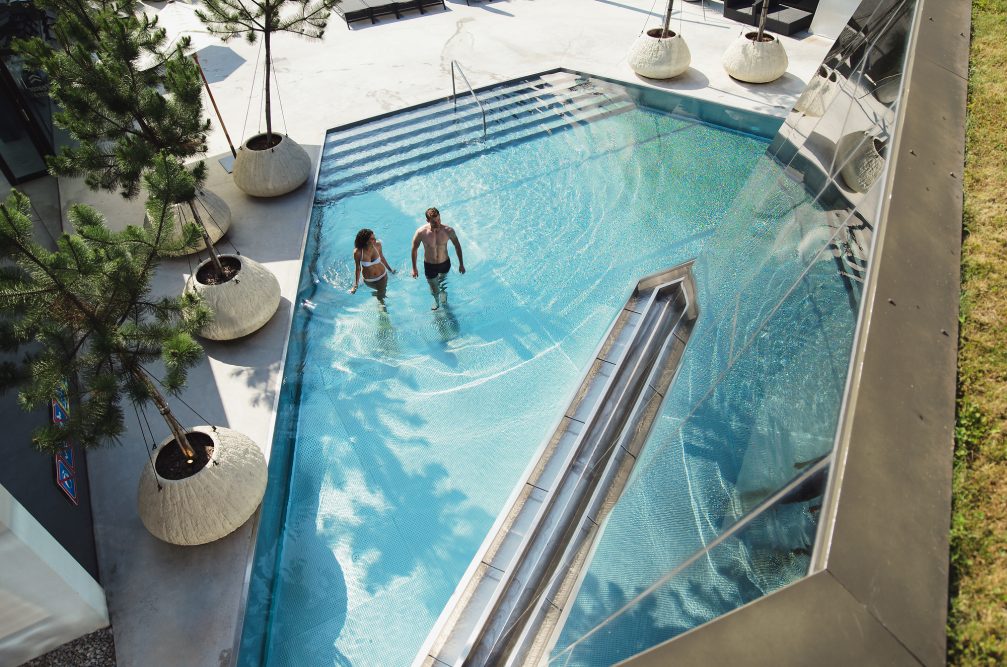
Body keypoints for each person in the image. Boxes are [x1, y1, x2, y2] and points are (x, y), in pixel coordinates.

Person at [411, 207, 465, 310]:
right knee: (434, 288)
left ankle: (443, 296)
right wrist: (414, 268)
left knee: (442, 283)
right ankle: (436, 301)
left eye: (439, 220)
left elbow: (457, 246)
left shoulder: (448, 230)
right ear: (427, 221)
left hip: (444, 263)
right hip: (429, 265)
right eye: (434, 221)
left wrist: (461, 264)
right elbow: (414, 249)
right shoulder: (421, 232)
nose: (437, 223)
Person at [349, 228, 396, 298]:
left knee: (382, 293)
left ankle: (382, 306)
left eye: (374, 237)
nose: (375, 240)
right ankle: (378, 297)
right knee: (381, 292)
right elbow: (358, 268)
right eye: (372, 239)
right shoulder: (358, 252)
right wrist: (355, 285)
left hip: (383, 275)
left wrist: (390, 270)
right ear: (365, 240)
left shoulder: (378, 245)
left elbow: (382, 258)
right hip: (369, 280)